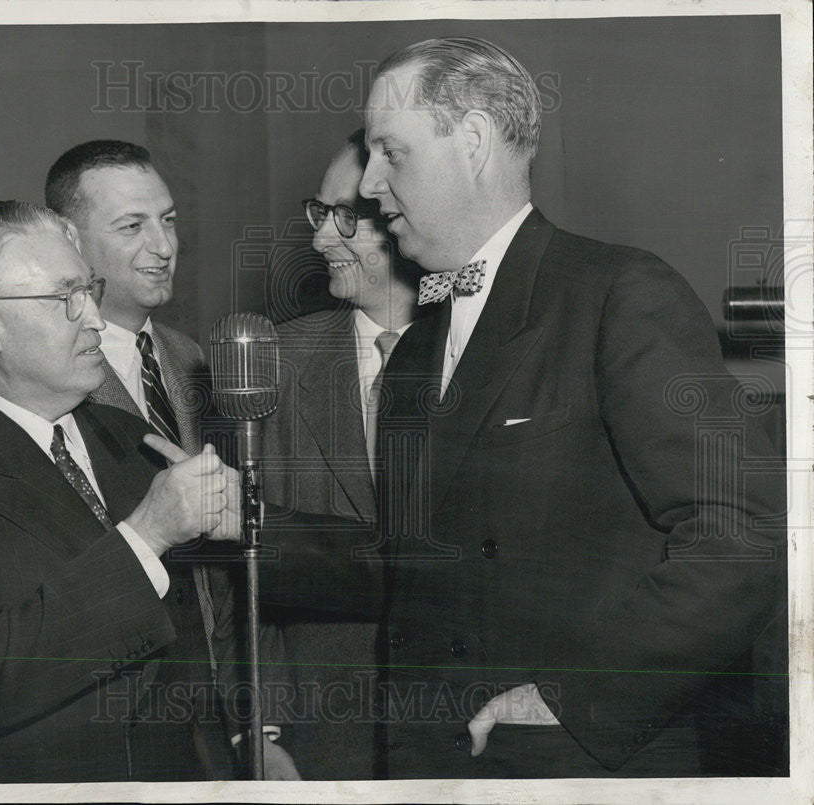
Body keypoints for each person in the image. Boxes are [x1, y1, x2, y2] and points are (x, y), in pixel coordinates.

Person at [258, 36, 786, 778]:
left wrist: (578, 698)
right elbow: (412, 560)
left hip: (576, 762)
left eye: (390, 151)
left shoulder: (617, 295)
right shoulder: (415, 350)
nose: (371, 184)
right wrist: (234, 521)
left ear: (470, 141)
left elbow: (746, 534)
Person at [0, 201, 242, 783]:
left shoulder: (131, 437)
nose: (96, 321)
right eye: (65, 299)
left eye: (90, 291)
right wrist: (148, 535)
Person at [45, 140, 297, 778]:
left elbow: (233, 574)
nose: (163, 246)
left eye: (169, 220)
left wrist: (256, 727)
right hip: (110, 735)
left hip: (218, 730)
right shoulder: (42, 379)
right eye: (132, 226)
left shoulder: (195, 360)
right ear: (68, 240)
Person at [259, 130, 426, 779]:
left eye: (346, 218)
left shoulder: (490, 352)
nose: (320, 239)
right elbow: (241, 568)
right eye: (318, 213)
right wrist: (262, 727)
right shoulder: (272, 362)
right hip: (320, 742)